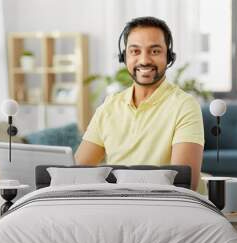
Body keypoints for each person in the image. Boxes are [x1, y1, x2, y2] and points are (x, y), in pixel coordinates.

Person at [75, 16, 204, 191]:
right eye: (135, 51)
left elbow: (183, 185)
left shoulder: (185, 106)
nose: (144, 60)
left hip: (167, 207)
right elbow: (79, 170)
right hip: (119, 204)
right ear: (124, 57)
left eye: (155, 51)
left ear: (169, 57)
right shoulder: (109, 106)